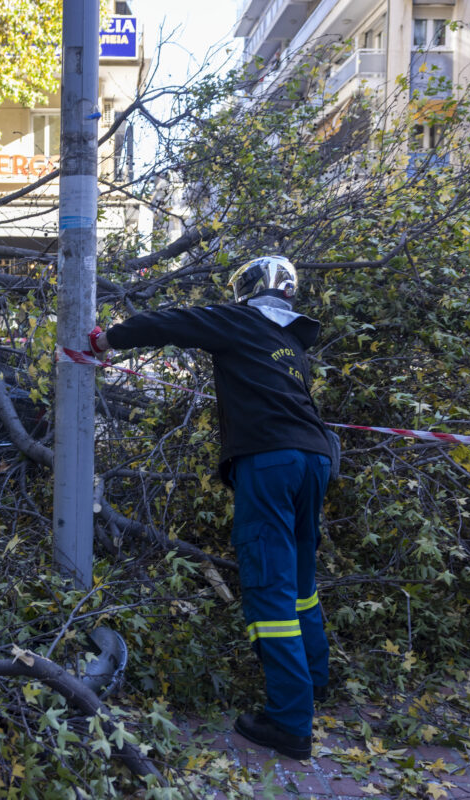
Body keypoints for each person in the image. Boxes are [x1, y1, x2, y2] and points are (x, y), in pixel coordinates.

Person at [88, 255, 336, 760]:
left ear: (250, 288)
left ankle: (290, 722)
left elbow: (174, 323)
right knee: (301, 584)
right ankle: (314, 682)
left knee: (269, 585)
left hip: (269, 460)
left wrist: (107, 340)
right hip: (314, 460)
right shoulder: (292, 340)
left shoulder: (241, 320)